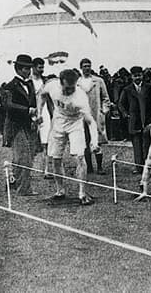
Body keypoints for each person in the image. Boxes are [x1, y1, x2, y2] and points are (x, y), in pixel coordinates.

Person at [38, 69, 99, 205]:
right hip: (58, 121)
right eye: (66, 88)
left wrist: (94, 142)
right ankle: (60, 191)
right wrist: (39, 112)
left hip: (75, 124)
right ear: (60, 83)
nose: (69, 91)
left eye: (72, 88)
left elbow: (90, 121)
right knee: (55, 157)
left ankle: (82, 193)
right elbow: (42, 95)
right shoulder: (52, 86)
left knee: (80, 156)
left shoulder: (80, 97)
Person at [118, 66, 151, 173]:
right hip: (134, 120)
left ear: (142, 75)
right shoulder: (127, 89)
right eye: (135, 76)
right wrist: (126, 114)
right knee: (137, 143)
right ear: (131, 76)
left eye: (139, 75)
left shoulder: (150, 87)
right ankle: (139, 167)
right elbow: (120, 104)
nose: (137, 78)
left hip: (149, 119)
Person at [4, 54, 39, 196]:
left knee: (29, 156)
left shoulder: (30, 84)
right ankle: (23, 188)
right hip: (15, 125)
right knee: (22, 157)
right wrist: (27, 110)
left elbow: (34, 103)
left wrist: (35, 117)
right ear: (17, 69)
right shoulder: (9, 86)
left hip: (28, 124)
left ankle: (15, 182)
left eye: (29, 68)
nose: (28, 71)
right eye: (25, 68)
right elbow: (8, 105)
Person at [78, 58, 110, 175]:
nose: (87, 68)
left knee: (97, 141)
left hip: (95, 115)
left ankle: (100, 167)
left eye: (88, 66)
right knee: (85, 141)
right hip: (82, 116)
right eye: (85, 66)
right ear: (81, 67)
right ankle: (89, 167)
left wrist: (103, 111)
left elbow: (106, 98)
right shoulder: (77, 83)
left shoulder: (98, 81)